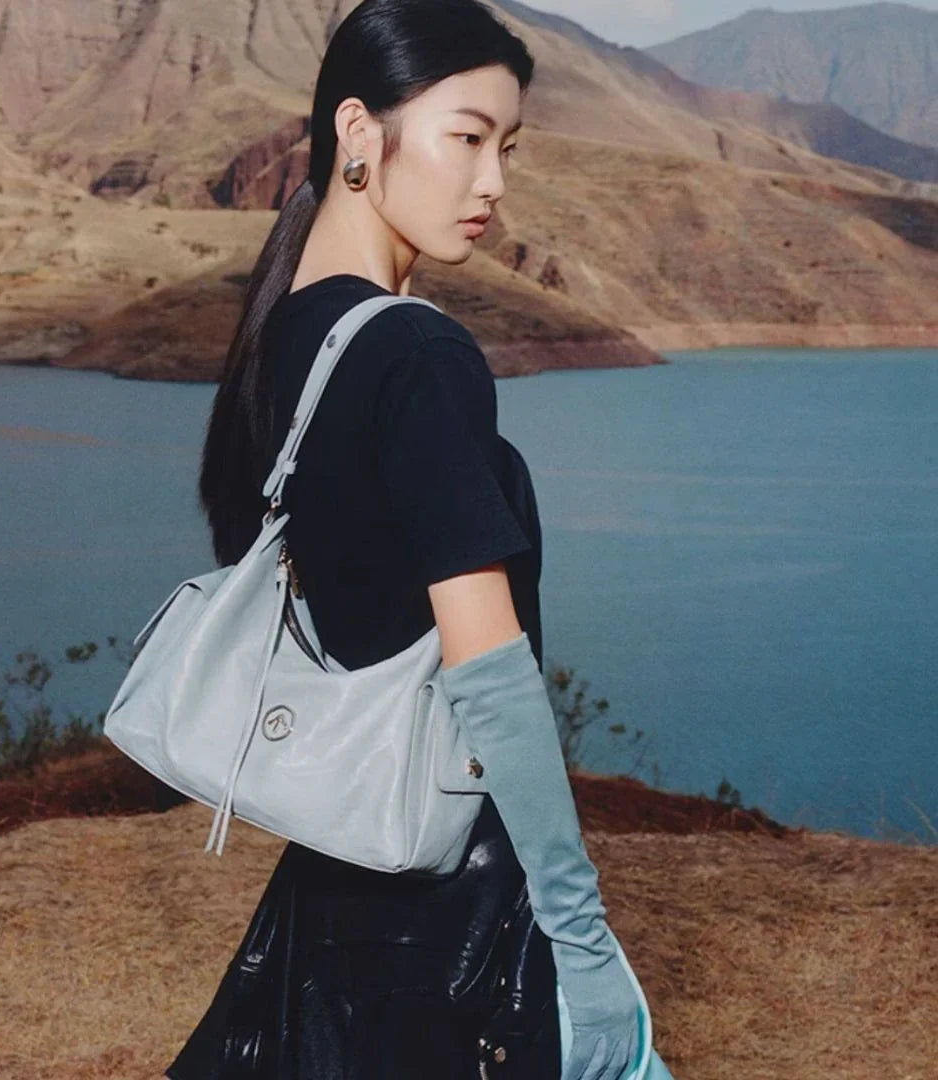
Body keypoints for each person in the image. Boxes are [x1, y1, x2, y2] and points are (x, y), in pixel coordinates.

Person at [166, 1, 646, 1077]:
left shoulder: (285, 338)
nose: (494, 182)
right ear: (359, 134)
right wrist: (578, 929)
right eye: (468, 137)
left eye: (507, 148)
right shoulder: (419, 356)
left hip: (340, 886)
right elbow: (491, 675)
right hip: (460, 908)